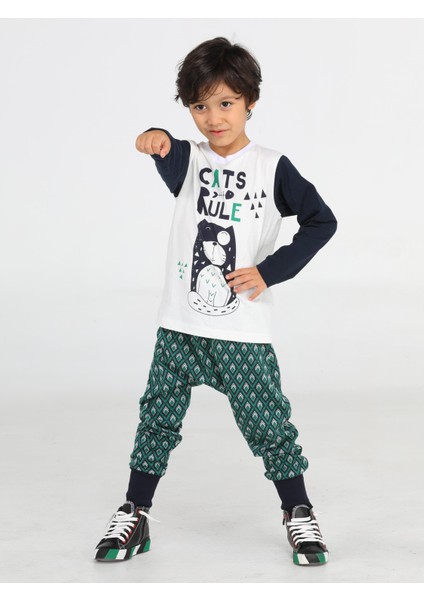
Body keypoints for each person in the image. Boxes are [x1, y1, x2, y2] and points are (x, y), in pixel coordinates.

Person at [94, 37, 337, 567]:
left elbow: (322, 221)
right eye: (199, 106)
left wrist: (269, 272)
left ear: (251, 102)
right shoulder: (190, 161)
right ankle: (135, 511)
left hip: (241, 331)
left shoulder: (272, 167)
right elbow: (167, 147)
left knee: (268, 424)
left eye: (226, 103)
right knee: (156, 419)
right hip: (179, 326)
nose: (213, 118)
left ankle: (297, 510)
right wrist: (157, 136)